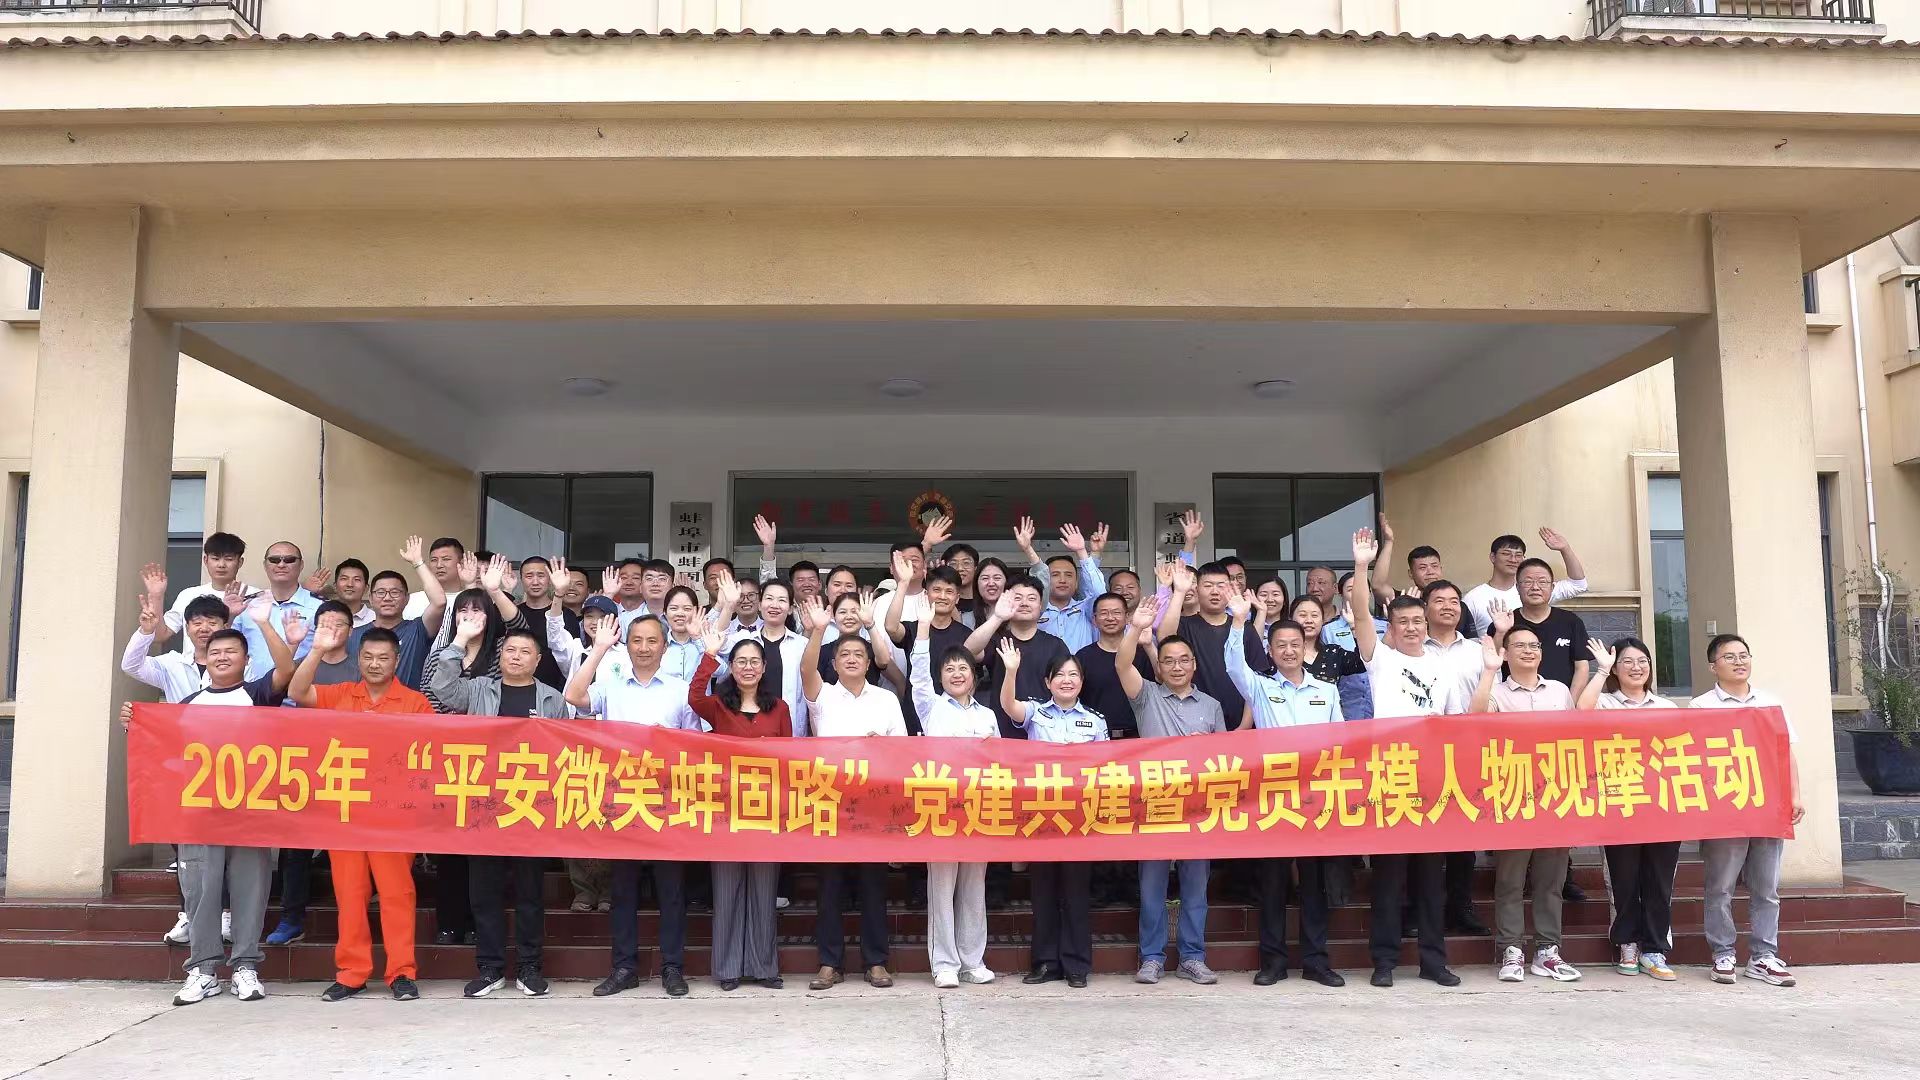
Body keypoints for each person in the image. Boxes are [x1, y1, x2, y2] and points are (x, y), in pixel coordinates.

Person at [134, 598, 296, 1006]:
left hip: (250, 814)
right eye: (216, 651)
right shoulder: (187, 705)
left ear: (246, 660)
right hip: (199, 816)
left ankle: (245, 966)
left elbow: (286, 671)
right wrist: (136, 726)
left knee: (250, 891)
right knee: (201, 893)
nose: (223, 656)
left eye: (232, 651)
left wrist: (264, 623)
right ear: (204, 659)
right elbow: (165, 756)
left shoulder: (258, 694)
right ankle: (203, 971)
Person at [429, 614, 573, 998]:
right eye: (510, 650)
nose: (516, 656)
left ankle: (529, 967)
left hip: (531, 807)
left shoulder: (552, 699)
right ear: (500, 655)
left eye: (525, 651)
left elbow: (565, 753)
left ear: (537, 660)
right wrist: (459, 641)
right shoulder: (479, 690)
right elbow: (441, 688)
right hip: (484, 806)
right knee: (484, 893)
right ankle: (490, 968)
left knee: (530, 894)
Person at [286, 622, 429, 1002]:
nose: (375, 664)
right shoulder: (341, 694)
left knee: (397, 894)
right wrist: (317, 649)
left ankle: (402, 972)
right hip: (346, 813)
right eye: (368, 657)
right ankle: (352, 972)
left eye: (383, 658)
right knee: (350, 895)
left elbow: (427, 759)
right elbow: (296, 692)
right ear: (358, 659)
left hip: (394, 817)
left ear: (397, 661)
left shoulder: (415, 703)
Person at [1348, 527, 1462, 988]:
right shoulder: (1382, 660)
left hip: (1434, 780)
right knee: (1389, 878)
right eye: (1404, 622)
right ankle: (1384, 961)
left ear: (1427, 623)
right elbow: (1360, 613)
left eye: (1418, 620)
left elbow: (1455, 723)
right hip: (1391, 778)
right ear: (1391, 628)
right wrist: (1361, 565)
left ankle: (1434, 961)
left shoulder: (1443, 667)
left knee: (1431, 880)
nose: (1412, 627)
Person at [566, 614, 701, 997]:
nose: (644, 648)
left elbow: (696, 744)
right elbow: (574, 697)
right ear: (626, 645)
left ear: (664, 646)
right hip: (622, 802)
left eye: (652, 641)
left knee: (671, 892)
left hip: (667, 803)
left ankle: (672, 968)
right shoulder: (612, 686)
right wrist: (599, 649)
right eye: (636, 640)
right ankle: (624, 967)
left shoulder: (680, 689)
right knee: (623, 891)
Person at [1218, 593, 1345, 988]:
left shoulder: (1326, 691)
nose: (1289, 651)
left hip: (1316, 798)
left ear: (1305, 648)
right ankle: (1272, 962)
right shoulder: (1259, 688)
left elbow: (1342, 741)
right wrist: (1239, 621)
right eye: (1280, 645)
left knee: (1313, 884)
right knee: (1273, 884)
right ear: (1271, 652)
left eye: (1294, 644)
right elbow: (1233, 665)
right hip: (1273, 798)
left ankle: (1316, 961)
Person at [419, 554, 528, 946]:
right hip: (449, 761)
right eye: (462, 610)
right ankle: (450, 923)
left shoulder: (501, 651)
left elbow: (521, 628)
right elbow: (431, 694)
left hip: (492, 761)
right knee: (450, 848)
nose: (469, 616)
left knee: (485, 849)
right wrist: (458, 642)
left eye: (476, 610)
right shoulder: (442, 650)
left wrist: (494, 591)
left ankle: (483, 925)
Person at [800, 595, 908, 990]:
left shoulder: (886, 699)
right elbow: (805, 669)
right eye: (843, 654)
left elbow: (904, 751)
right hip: (831, 802)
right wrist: (817, 631)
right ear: (834, 663)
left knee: (872, 886)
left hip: (874, 806)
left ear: (868, 663)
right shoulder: (824, 696)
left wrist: (883, 746)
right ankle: (829, 963)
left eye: (858, 655)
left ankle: (876, 961)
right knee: (830, 887)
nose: (850, 659)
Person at [1118, 597, 1225, 986]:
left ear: (1194, 665)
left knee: (1196, 889)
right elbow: (1121, 664)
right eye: (1169, 661)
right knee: (1152, 889)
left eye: (1183, 661)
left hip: (1198, 808)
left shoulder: (1212, 706)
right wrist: (1136, 628)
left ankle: (1193, 957)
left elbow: (1226, 761)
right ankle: (1151, 958)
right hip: (1155, 806)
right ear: (1159, 667)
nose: (1177, 667)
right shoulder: (1146, 696)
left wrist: (1206, 748)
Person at [1468, 620, 1581, 983]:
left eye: (1534, 645)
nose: (1529, 651)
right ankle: (1511, 950)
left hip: (1555, 796)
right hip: (1513, 795)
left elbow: (1575, 736)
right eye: (1520, 646)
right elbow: (1475, 720)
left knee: (1551, 880)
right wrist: (1488, 671)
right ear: (1506, 654)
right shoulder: (1497, 692)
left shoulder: (1560, 691)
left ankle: (1547, 951)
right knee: (1510, 880)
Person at [1690, 633, 1806, 988]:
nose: (1739, 661)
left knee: (1766, 888)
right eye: (1729, 657)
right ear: (1713, 666)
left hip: (1767, 807)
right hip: (1724, 811)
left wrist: (1794, 796)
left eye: (1743, 655)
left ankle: (1763, 956)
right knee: (1720, 887)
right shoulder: (1700, 707)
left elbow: (1785, 754)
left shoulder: (1770, 703)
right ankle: (1723, 953)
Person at [123, 581, 234, 946]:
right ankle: (189, 912)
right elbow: (131, 665)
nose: (205, 628)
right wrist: (146, 631)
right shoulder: (171, 664)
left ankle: (226, 914)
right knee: (183, 846)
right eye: (197, 621)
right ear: (186, 627)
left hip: (228, 766)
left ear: (225, 625)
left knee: (224, 844)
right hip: (181, 767)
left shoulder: (238, 665)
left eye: (213, 621)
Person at [689, 619, 792, 991]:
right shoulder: (719, 706)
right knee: (727, 889)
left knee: (764, 891)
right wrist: (709, 654)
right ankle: (729, 968)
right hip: (726, 810)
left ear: (764, 668)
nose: (748, 667)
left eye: (754, 661)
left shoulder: (779, 708)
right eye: (741, 661)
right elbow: (694, 697)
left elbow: (789, 759)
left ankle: (764, 968)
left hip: (766, 809)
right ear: (731, 668)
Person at [998, 640, 1106, 988]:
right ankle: (1045, 963)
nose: (1066, 680)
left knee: (1076, 893)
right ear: (1048, 682)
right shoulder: (1036, 713)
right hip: (1042, 816)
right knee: (1043, 892)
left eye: (1073, 675)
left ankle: (1076, 965)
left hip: (1080, 818)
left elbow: (1107, 769)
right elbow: (1009, 706)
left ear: (1082, 681)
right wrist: (1011, 672)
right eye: (1059, 675)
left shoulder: (1095, 721)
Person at [904, 610, 999, 988]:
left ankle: (973, 960)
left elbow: (1000, 763)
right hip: (941, 809)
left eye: (963, 668)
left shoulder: (988, 715)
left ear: (974, 675)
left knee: (974, 887)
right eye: (949, 669)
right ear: (941, 677)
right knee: (942, 889)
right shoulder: (931, 706)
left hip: (979, 808)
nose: (957, 674)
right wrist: (923, 629)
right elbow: (918, 674)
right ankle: (944, 963)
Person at [1577, 636, 1681, 981]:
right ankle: (1628, 943)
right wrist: (1601, 670)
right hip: (1619, 804)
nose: (1636, 668)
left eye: (1642, 661)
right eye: (1627, 662)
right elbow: (1581, 714)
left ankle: (1654, 948)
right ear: (1615, 669)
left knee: (1658, 881)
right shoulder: (1604, 702)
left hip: (1663, 806)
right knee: (1624, 879)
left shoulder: (1667, 707)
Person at [261, 598, 359, 947]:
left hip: (349, 768)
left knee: (348, 849)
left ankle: (353, 923)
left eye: (338, 625)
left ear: (351, 631)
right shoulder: (302, 665)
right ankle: (291, 919)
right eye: (324, 625)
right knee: (296, 847)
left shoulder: (361, 668)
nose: (331, 631)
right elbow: (282, 703)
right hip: (305, 768)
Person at [1413, 578, 1493, 937]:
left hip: (1467, 749)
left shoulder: (1478, 650)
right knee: (1421, 832)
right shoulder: (1411, 649)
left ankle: (1461, 907)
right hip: (1420, 752)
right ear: (1425, 608)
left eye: (1454, 601)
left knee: (1463, 831)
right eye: (1439, 600)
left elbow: (1492, 697)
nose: (1448, 606)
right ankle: (1419, 910)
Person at [967, 580, 1070, 740]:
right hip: (1003, 730)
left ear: (1041, 606)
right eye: (1017, 598)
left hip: (1045, 731)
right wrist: (997, 617)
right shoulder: (998, 640)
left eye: (1031, 598)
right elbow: (969, 651)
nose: (1024, 603)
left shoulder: (1055, 645)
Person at [347, 536, 449, 691]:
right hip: (362, 705)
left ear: (406, 599)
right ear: (371, 599)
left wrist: (418, 563)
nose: (387, 598)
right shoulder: (354, 635)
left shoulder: (417, 630)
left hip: (407, 705)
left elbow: (439, 601)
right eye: (381, 592)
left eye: (395, 592)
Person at [1462, 528, 1588, 636]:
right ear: (1493, 557)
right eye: (1506, 554)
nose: (1513, 559)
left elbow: (1578, 585)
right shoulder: (1473, 598)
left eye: (1518, 555)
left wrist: (1565, 549)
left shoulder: (1534, 592)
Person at [1014, 517, 1107, 653]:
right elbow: (1041, 574)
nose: (1062, 580)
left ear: (1076, 583)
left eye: (1069, 575)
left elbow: (1099, 594)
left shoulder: (1085, 609)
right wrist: (1028, 549)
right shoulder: (1035, 610)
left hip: (1082, 667)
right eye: (1055, 575)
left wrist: (1082, 552)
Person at [1508, 557, 1592, 700]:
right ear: (1517, 587)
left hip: (1561, 704)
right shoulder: (1506, 622)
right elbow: (1493, 664)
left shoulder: (1571, 621)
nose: (1535, 587)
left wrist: (1569, 704)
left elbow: (1582, 667)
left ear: (1552, 587)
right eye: (1527, 582)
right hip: (1514, 703)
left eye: (1542, 582)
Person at [514, 555, 574, 689]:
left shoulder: (567, 615)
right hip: (517, 686)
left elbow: (572, 658)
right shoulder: (514, 614)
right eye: (529, 576)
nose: (535, 582)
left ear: (550, 579)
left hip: (557, 690)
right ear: (521, 579)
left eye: (541, 576)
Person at [404, 536, 467, 619]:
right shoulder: (412, 600)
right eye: (434, 560)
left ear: (461, 563)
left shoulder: (472, 599)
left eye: (446, 559)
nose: (439, 565)